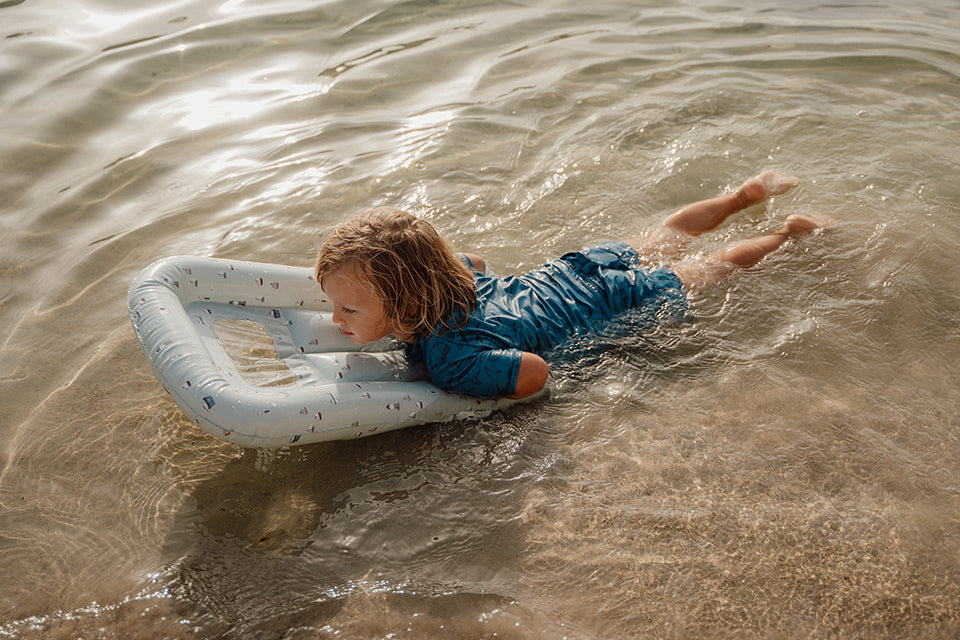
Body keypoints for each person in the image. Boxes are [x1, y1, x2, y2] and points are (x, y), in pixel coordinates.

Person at [316, 171, 822, 400]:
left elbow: (533, 373)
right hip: (571, 271)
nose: (337, 320)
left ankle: (786, 234)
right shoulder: (456, 278)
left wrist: (456, 379)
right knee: (668, 235)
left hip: (612, 301)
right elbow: (472, 259)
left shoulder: (452, 358)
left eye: (348, 310)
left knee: (712, 267)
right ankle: (741, 196)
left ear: (407, 303)